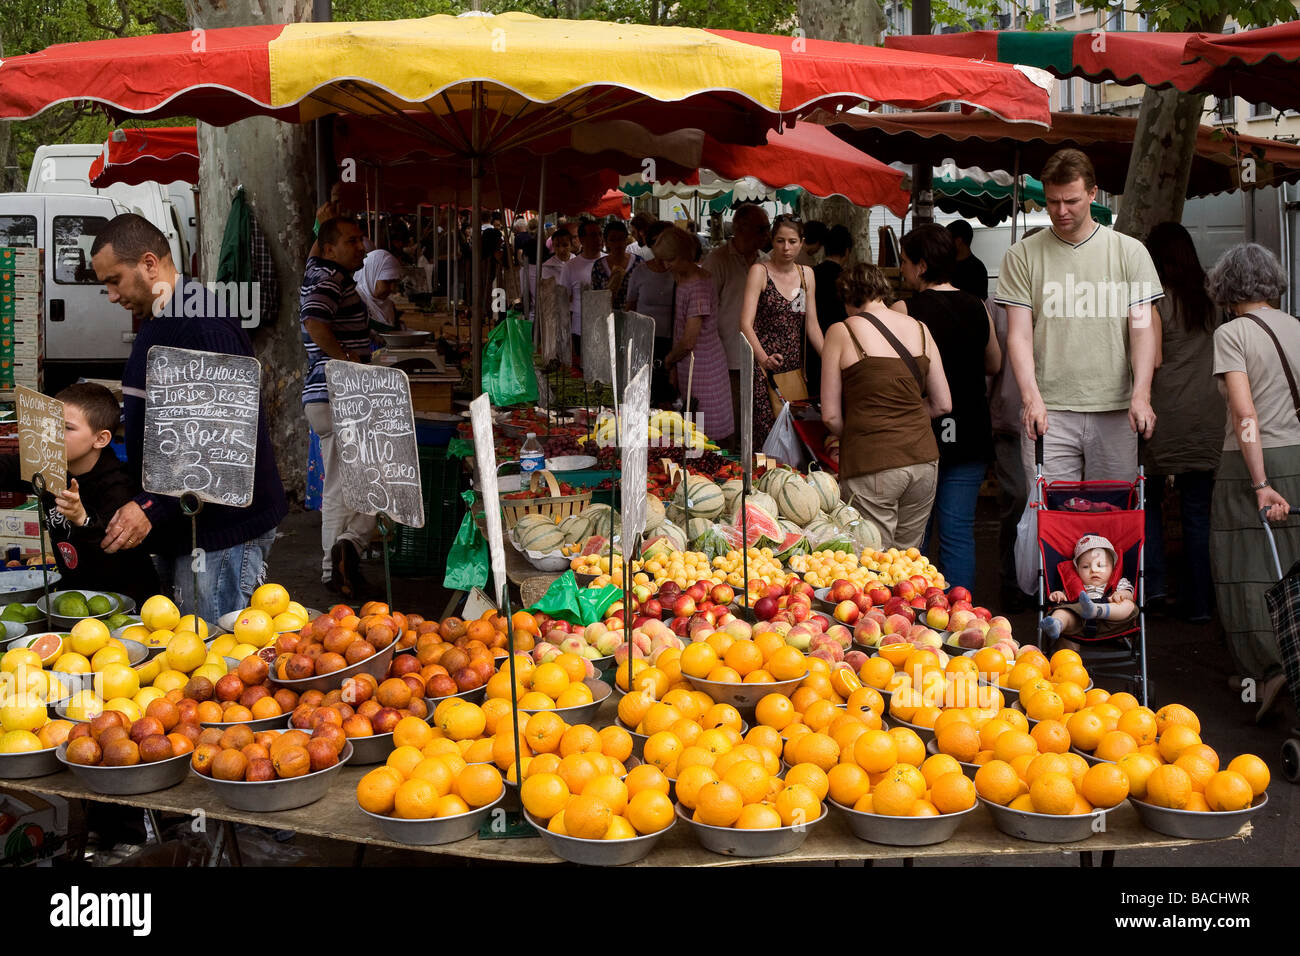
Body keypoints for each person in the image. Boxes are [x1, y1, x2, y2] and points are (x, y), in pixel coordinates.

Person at [90, 213, 286, 623]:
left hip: (219, 534)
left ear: (148, 264)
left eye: (114, 281)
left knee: (214, 663)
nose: (110, 296)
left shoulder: (202, 325)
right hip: (187, 524)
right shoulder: (160, 316)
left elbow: (223, 445)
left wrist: (151, 507)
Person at [995, 149, 1161, 491]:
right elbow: (1019, 335)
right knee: (1050, 519)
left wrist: (1141, 395)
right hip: (1049, 410)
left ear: (1092, 193)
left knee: (1113, 515)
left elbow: (1143, 330)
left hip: (1116, 409)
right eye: (1052, 201)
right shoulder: (1022, 255)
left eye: (1070, 200)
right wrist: (1031, 398)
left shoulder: (1131, 252)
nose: (1060, 211)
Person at [1205, 242, 1300, 721]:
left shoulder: (1233, 333)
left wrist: (1260, 482)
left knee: (1247, 571)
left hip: (1251, 464)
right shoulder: (1298, 328)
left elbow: (1245, 414)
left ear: (1225, 285)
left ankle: (1266, 673)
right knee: (1294, 567)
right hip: (1298, 457)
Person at [892, 224, 999, 594]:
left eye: (904, 262)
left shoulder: (903, 310)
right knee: (957, 532)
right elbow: (994, 364)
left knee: (914, 533)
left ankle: (915, 612)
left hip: (919, 433)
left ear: (921, 266)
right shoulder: (976, 305)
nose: (902, 268)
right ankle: (963, 618)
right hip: (969, 429)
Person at [821, 263, 952, 549]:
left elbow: (830, 415)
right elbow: (943, 404)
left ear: (847, 297)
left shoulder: (842, 331)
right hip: (924, 460)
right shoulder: (919, 329)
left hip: (871, 460)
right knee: (907, 562)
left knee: (871, 562)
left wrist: (858, 431)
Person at [0, 384, 161, 606]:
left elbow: (109, 559)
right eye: (51, 423)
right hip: (73, 599)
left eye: (66, 427)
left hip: (124, 606)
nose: (53, 433)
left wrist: (81, 519)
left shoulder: (117, 488)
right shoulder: (51, 468)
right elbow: (8, 468)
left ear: (101, 439)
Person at [1142, 222, 1224, 622]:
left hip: (1163, 414)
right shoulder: (1212, 298)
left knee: (1149, 504)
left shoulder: (1156, 302)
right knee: (1197, 511)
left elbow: (1151, 359)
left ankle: (1155, 589)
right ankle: (1200, 600)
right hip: (1209, 413)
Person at [300, 216, 376, 599]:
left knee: (350, 483)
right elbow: (315, 321)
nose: (361, 246)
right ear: (332, 250)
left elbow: (315, 251)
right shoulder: (330, 281)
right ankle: (339, 559)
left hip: (327, 397)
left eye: (361, 239)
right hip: (337, 395)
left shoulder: (318, 269)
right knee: (361, 482)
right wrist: (345, 357)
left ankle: (343, 555)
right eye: (352, 241)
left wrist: (321, 220)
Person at [740, 214, 824, 451]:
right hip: (763, 371)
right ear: (771, 240)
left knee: (796, 439)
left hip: (794, 372)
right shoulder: (760, 271)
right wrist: (763, 359)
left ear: (802, 242)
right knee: (769, 442)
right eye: (780, 241)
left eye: (792, 241)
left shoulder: (807, 274)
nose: (786, 248)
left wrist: (833, 359)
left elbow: (812, 325)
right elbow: (745, 323)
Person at [702, 204, 769, 448]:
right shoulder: (718, 260)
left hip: (759, 358)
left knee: (756, 426)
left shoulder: (766, 261)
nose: (767, 235)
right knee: (731, 427)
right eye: (761, 229)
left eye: (767, 229)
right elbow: (705, 312)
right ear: (740, 229)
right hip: (727, 358)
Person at [658, 226, 733, 444]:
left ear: (684, 255)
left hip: (703, 366)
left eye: (670, 259)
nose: (665, 265)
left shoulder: (698, 286)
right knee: (692, 425)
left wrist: (668, 361)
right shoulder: (683, 278)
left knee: (704, 432)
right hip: (690, 364)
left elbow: (689, 340)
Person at [1037, 534, 1138, 643]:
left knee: (1129, 605)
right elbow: (1063, 598)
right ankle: (1057, 624)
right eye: (1086, 566)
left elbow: (1130, 595)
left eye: (1101, 565)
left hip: (1110, 621)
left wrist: (1122, 594)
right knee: (1062, 611)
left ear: (1113, 568)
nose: (1094, 570)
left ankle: (1096, 610)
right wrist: (1058, 595)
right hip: (1079, 623)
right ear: (1077, 570)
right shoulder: (1072, 585)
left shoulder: (1119, 583)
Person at [806, 224, 853, 403]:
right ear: (847, 251)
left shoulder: (811, 274)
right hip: (840, 346)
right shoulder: (847, 279)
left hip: (811, 348)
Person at [626, 221, 677, 366]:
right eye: (655, 241)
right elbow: (630, 307)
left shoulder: (681, 272)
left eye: (666, 240)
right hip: (643, 340)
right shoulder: (640, 272)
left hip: (674, 342)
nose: (661, 246)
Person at [561, 219, 604, 360]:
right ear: (581, 239)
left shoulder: (608, 261)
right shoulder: (570, 266)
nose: (598, 239)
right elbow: (563, 301)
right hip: (580, 330)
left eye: (600, 234)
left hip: (606, 328)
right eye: (593, 235)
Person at [590, 219, 640, 312]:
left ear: (626, 240)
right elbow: (595, 297)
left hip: (633, 319)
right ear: (606, 242)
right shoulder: (599, 266)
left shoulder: (638, 264)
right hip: (607, 318)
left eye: (621, 239)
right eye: (613, 240)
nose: (618, 244)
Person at [354, 248, 404, 336]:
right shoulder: (354, 303)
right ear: (371, 276)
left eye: (395, 282)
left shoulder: (390, 307)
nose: (392, 288)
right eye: (387, 281)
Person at [946, 219, 989, 300]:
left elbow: (980, 300)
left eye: (948, 239)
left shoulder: (977, 269)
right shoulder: (945, 264)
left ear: (958, 241)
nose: (946, 244)